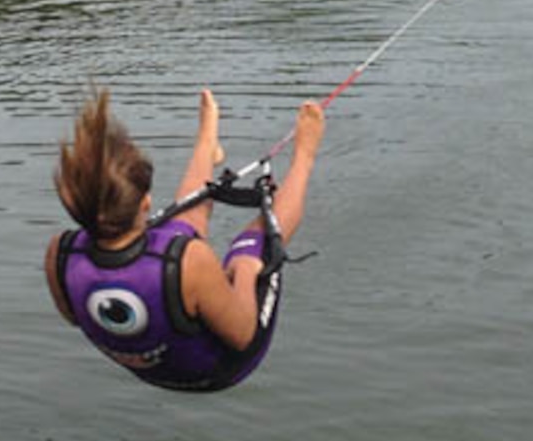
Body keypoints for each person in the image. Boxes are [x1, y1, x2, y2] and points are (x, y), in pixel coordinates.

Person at [44, 88, 325, 392]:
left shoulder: (60, 252)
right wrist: (243, 276)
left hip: (152, 369)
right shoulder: (189, 260)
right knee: (246, 250)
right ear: (145, 203)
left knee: (175, 241)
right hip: (219, 369)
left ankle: (208, 143)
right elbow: (244, 336)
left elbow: (75, 317)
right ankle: (305, 154)